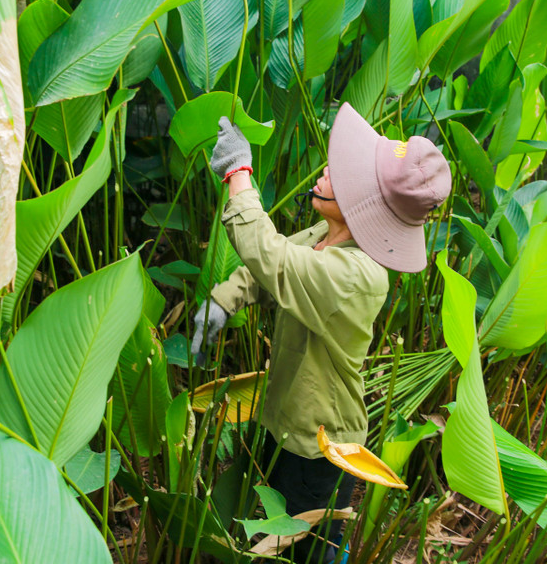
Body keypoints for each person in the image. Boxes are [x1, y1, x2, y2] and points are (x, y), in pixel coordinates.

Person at [190, 103, 452, 563]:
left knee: (311, 552)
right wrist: (224, 299)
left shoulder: (357, 272)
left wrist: (239, 173)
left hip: (320, 447)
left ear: (364, 206)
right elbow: (277, 266)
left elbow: (275, 260)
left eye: (342, 175)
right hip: (287, 418)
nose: (327, 171)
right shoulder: (332, 236)